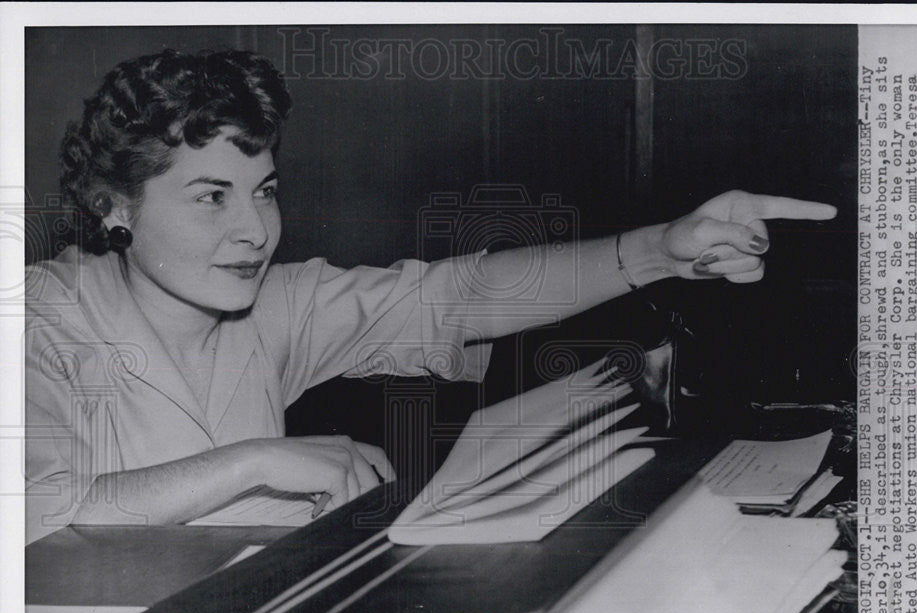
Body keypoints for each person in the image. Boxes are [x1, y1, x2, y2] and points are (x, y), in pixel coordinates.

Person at [24, 48, 837, 544]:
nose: (254, 231)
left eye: (264, 190)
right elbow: (31, 517)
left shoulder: (274, 302)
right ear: (113, 205)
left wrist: (662, 250)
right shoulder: (35, 322)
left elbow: (461, 297)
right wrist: (259, 460)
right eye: (212, 197)